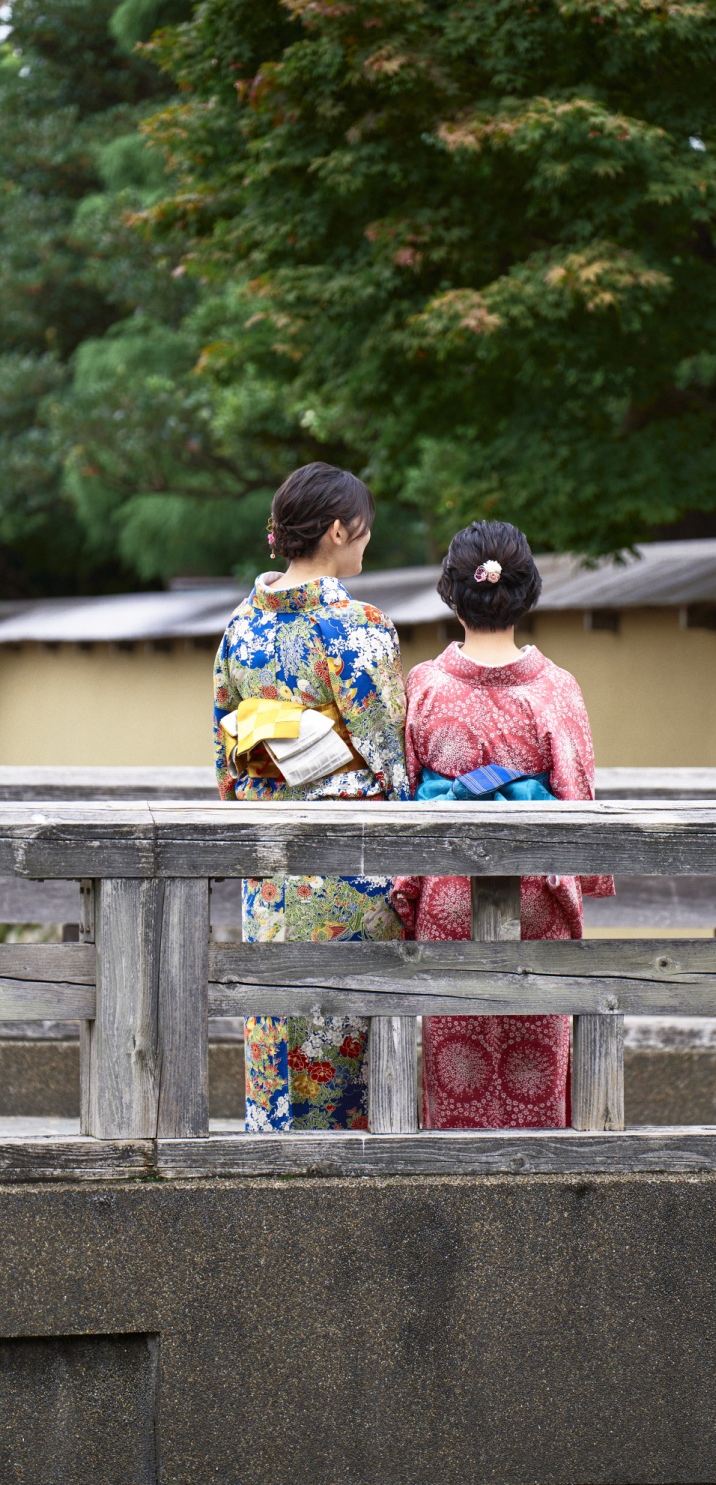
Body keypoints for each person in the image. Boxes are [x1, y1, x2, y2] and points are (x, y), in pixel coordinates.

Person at [392, 521, 613, 1129]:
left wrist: (407, 889)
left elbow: (406, 801)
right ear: (527, 591)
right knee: (536, 1060)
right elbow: (578, 802)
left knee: (453, 1058)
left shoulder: (424, 686)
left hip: (448, 896)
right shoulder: (556, 689)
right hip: (534, 899)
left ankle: (457, 1200)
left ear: (451, 592)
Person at [213, 462, 410, 1132]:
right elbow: (389, 759)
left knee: (277, 1019)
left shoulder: (239, 627)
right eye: (362, 530)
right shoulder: (355, 626)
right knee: (348, 1030)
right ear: (335, 530)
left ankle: (272, 1172)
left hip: (268, 866)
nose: (365, 542)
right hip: (349, 866)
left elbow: (226, 759)